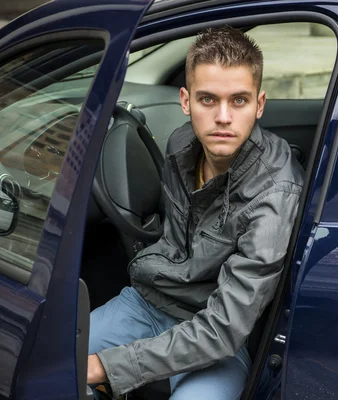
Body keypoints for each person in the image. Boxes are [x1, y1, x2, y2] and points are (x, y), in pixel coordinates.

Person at [86, 26, 304, 399]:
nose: (223, 117)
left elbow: (223, 330)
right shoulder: (180, 143)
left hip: (217, 335)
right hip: (148, 303)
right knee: (43, 355)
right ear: (186, 102)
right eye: (208, 100)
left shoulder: (275, 192)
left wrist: (108, 367)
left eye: (239, 101)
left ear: (260, 104)